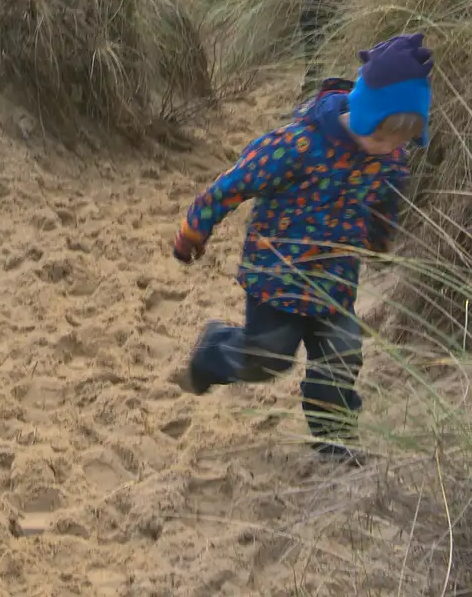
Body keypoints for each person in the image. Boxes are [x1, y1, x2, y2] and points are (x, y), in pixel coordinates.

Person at [172, 33, 433, 465]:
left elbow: (385, 204)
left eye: (401, 141)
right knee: (268, 358)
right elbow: (232, 185)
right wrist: (194, 230)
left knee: (341, 360)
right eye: (384, 137)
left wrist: (379, 244)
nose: (391, 149)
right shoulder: (297, 145)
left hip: (335, 283)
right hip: (278, 278)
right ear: (366, 113)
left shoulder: (388, 160)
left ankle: (335, 446)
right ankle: (213, 352)